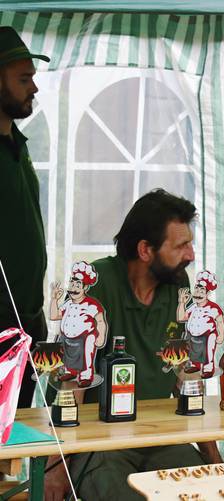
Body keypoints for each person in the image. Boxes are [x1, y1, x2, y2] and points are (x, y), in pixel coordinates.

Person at [44, 189, 222, 501]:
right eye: (181, 245)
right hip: (96, 440)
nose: (191, 255)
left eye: (190, 244)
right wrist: (55, 465)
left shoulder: (178, 285)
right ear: (145, 250)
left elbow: (186, 376)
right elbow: (71, 383)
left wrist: (213, 458)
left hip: (159, 436)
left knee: (204, 490)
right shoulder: (97, 283)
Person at [0, 26, 50, 408]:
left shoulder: (19, 145)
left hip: (26, 326)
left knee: (18, 431)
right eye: (23, 79)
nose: (34, 87)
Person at [49, 261, 108, 387]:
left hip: (86, 337)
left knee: (86, 355)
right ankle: (70, 371)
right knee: (67, 355)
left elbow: (100, 320)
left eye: (77, 285)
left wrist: (101, 336)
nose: (73, 289)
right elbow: (54, 316)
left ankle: (86, 375)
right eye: (72, 284)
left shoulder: (91, 304)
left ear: (85, 288)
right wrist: (54, 299)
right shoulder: (68, 304)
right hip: (67, 337)